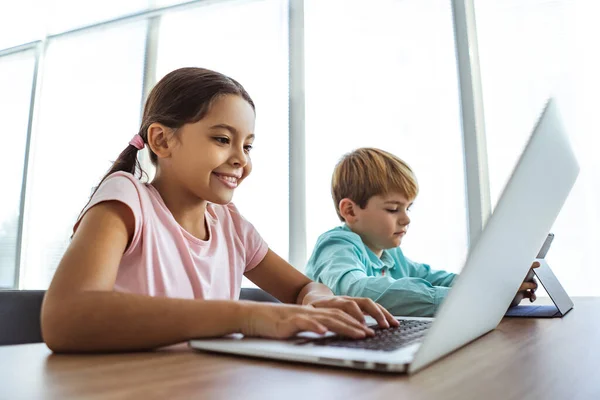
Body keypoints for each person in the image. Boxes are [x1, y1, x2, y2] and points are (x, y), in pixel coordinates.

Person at [41, 68, 398, 352]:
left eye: (248, 145)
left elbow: (302, 288)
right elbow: (64, 319)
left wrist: (321, 300)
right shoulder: (126, 200)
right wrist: (246, 316)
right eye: (222, 139)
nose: (241, 158)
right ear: (162, 140)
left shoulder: (232, 226)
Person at [306, 147, 538, 317]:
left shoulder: (390, 254)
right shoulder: (335, 245)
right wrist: (468, 298)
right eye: (393, 209)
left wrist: (491, 284)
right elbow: (356, 290)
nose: (406, 219)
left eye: (408, 208)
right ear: (350, 210)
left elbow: (431, 277)